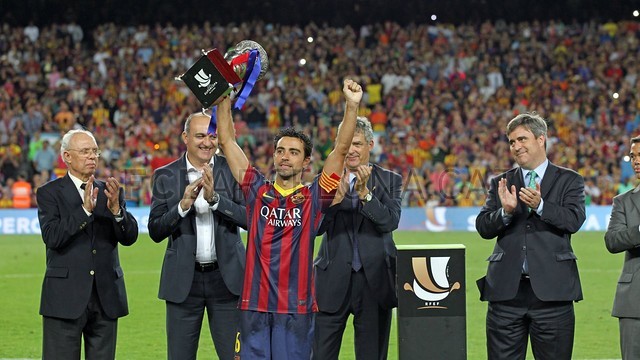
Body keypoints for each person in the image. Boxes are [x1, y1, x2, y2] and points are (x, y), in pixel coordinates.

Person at [216, 78, 362, 359]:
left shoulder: (315, 198)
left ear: (306, 162)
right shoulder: (256, 191)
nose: (285, 157)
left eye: (294, 152)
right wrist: (224, 99)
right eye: (281, 151)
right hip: (254, 306)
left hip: (296, 309)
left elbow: (340, 151)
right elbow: (227, 141)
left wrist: (351, 106)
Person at [475, 112, 586, 360]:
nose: (516, 146)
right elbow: (483, 226)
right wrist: (504, 212)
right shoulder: (501, 182)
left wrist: (541, 206)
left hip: (553, 295)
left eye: (522, 139)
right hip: (506, 295)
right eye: (512, 142)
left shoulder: (569, 180)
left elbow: (574, 220)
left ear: (541, 139)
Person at [148, 112, 247, 360]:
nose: (207, 142)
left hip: (227, 281)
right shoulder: (165, 176)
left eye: (212, 136)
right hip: (184, 282)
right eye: (200, 135)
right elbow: (156, 231)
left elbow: (250, 219)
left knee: (236, 356)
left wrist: (215, 200)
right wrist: (182, 206)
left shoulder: (232, 170)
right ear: (185, 137)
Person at [37, 129, 138, 359]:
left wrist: (117, 212)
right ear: (67, 157)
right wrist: (84, 211)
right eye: (85, 151)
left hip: (106, 298)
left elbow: (130, 237)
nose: (92, 156)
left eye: (95, 151)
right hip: (65, 298)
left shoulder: (110, 192)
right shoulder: (49, 193)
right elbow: (53, 237)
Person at [312, 116, 402, 360]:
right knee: (320, 354)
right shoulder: (324, 181)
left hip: (375, 283)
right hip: (331, 282)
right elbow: (314, 229)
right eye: (346, 143)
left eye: (358, 144)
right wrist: (333, 204)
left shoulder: (390, 180)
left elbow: (390, 222)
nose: (351, 150)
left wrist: (365, 195)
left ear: (370, 145)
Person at [604, 135, 640, 360]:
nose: (636, 161)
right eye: (633, 156)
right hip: (634, 304)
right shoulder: (623, 201)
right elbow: (613, 240)